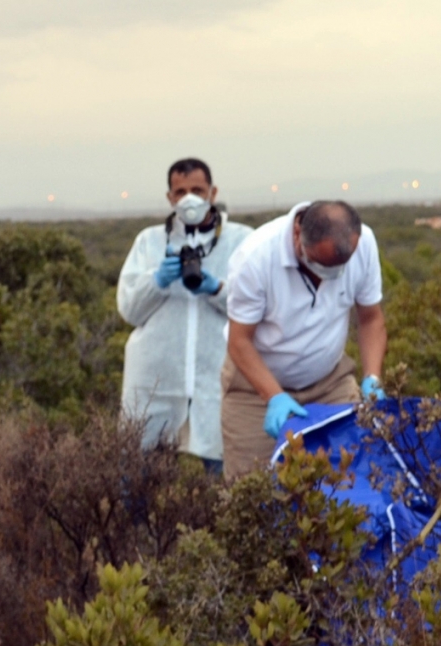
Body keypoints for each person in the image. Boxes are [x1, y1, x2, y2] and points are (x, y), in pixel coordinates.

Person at [222, 199, 387, 480]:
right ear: (297, 234)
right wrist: (274, 396)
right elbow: (240, 342)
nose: (326, 276)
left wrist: (373, 377)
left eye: (337, 268)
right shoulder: (255, 257)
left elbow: (370, 318)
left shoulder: (363, 244)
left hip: (330, 383)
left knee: (347, 480)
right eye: (317, 264)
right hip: (255, 389)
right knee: (251, 488)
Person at [117, 158, 252, 475]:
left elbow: (258, 306)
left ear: (213, 192)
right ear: (170, 197)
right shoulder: (149, 242)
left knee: (225, 471)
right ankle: (138, 527)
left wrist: (216, 289)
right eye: (180, 192)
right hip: (155, 378)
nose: (189, 199)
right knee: (138, 471)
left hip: (217, 374)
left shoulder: (241, 240)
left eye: (197, 190)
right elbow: (129, 310)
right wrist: (157, 281)